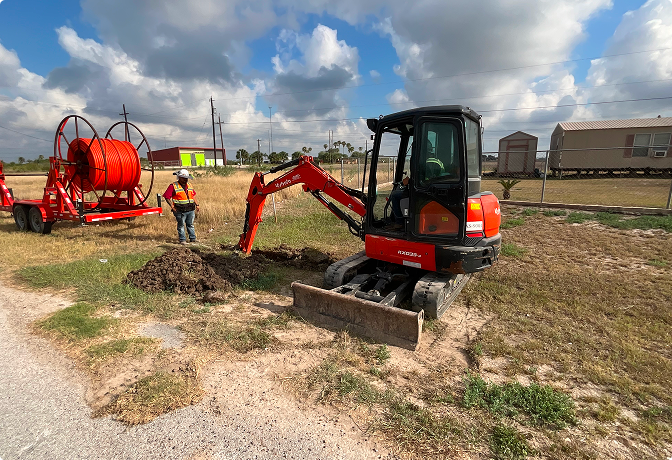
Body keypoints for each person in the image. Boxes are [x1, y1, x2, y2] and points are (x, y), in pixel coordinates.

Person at [163, 169, 200, 244]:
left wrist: (197, 204)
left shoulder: (189, 185)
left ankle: (193, 238)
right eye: (184, 178)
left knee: (190, 224)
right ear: (179, 177)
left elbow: (193, 196)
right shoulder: (173, 186)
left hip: (190, 209)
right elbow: (167, 197)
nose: (186, 180)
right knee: (181, 225)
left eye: (186, 178)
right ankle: (182, 240)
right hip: (180, 210)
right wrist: (172, 206)